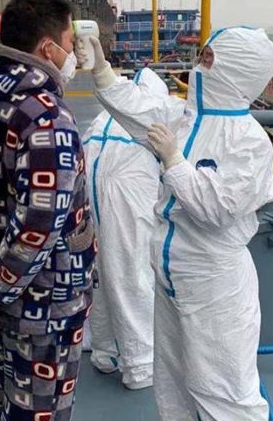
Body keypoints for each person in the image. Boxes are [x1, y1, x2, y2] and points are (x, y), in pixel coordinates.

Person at [80, 27, 273, 421]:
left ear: (237, 70)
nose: (200, 64)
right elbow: (136, 111)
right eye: (203, 55)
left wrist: (174, 162)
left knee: (223, 391)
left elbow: (217, 209)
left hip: (213, 281)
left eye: (210, 58)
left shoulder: (250, 141)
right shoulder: (186, 117)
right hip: (172, 273)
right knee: (174, 383)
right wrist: (101, 69)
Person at [0, 0, 96, 421]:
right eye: (69, 43)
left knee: (2, 396)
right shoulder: (46, 117)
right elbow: (40, 224)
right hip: (43, 305)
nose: (71, 53)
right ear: (47, 48)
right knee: (39, 408)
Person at [83, 66, 169, 390]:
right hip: (127, 193)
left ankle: (105, 352)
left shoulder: (104, 117)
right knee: (131, 275)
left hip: (92, 189)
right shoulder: (150, 120)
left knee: (100, 275)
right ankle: (140, 364)